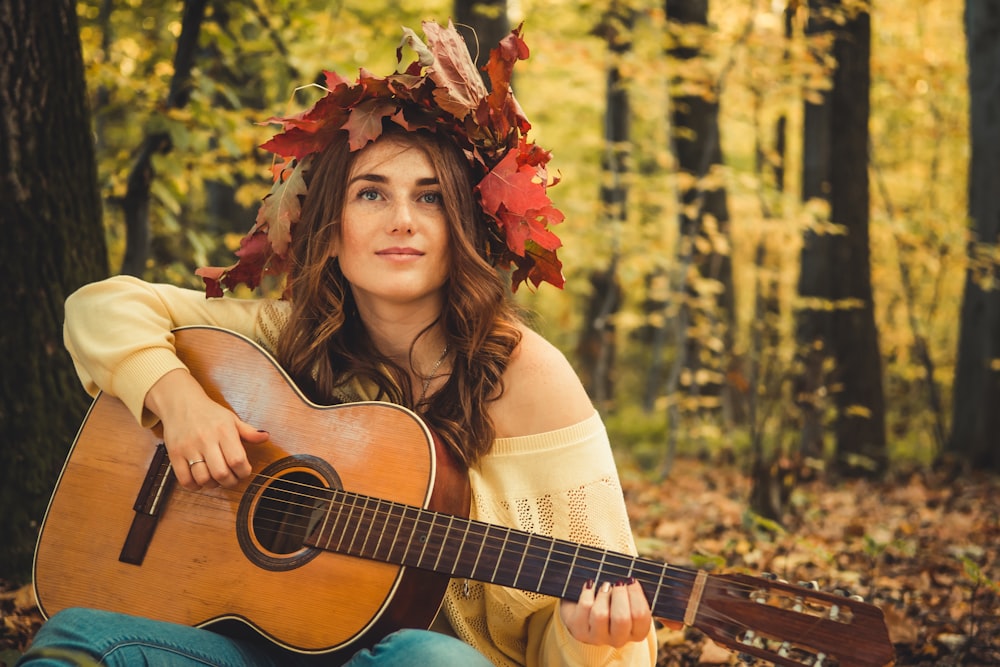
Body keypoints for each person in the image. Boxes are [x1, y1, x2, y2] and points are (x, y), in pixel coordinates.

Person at [19, 20, 658, 667]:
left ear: (460, 225)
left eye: (430, 197)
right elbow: (98, 305)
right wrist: (179, 399)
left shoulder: (526, 375)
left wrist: (589, 637)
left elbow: (612, 641)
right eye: (371, 192)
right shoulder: (288, 334)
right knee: (77, 640)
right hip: (254, 651)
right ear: (331, 226)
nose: (401, 219)